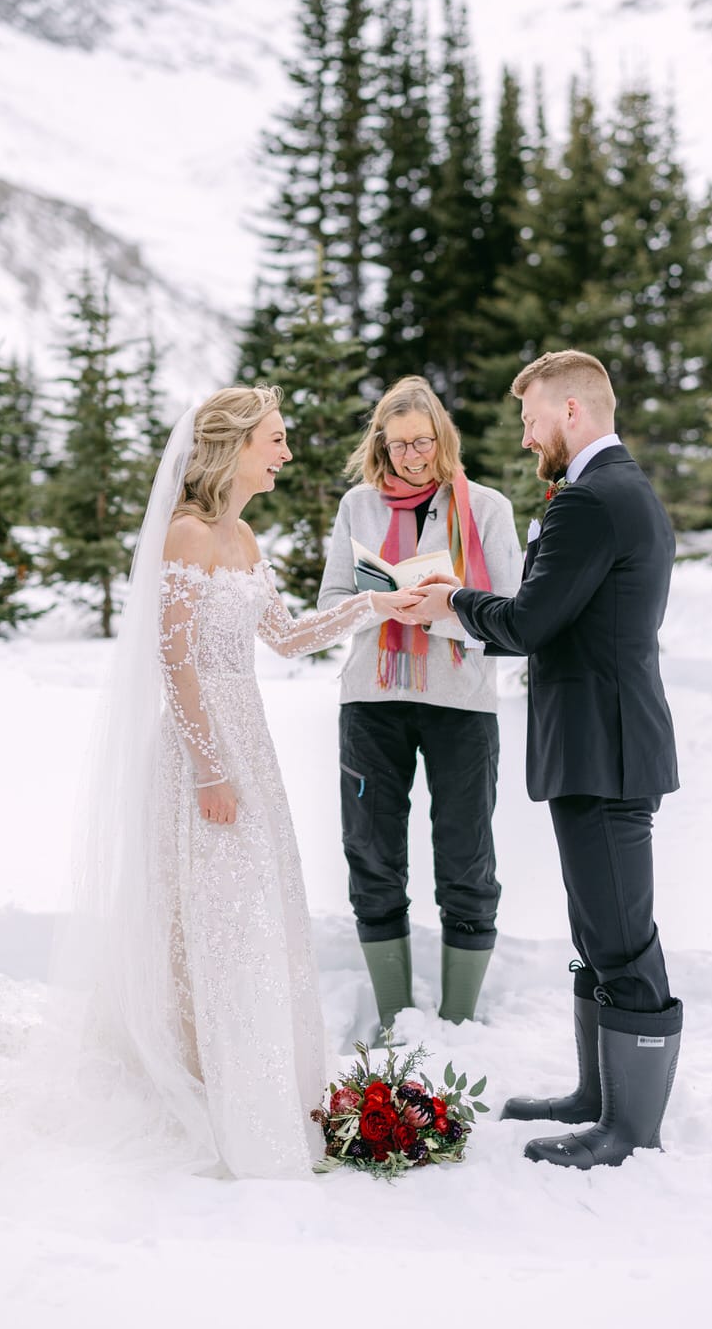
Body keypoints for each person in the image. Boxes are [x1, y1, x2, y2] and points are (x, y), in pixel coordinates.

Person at [69, 385, 418, 1181]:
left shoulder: (243, 535)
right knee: (220, 914)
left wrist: (376, 602)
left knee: (255, 910)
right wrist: (208, 771)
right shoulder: (186, 536)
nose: (286, 453)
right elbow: (175, 659)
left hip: (248, 740)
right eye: (276, 439)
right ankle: (211, 1086)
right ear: (233, 446)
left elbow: (286, 638)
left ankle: (261, 1085)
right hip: (206, 753)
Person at [406, 350, 683, 1169]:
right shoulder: (616, 491)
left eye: (530, 421)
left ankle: (626, 1129)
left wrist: (449, 601)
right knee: (598, 925)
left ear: (570, 412)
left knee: (621, 936)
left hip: (606, 748)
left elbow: (529, 622)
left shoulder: (591, 501)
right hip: (604, 742)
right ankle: (597, 1095)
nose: (526, 438)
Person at [317, 376, 522, 1036]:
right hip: (371, 698)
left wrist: (443, 609)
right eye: (399, 443)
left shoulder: (485, 506)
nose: (411, 456)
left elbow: (512, 614)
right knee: (371, 852)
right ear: (381, 442)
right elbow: (328, 607)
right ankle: (392, 1015)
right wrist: (378, 603)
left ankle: (457, 1019)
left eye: (423, 442)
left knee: (466, 855)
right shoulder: (359, 506)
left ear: (442, 439)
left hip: (459, 698)